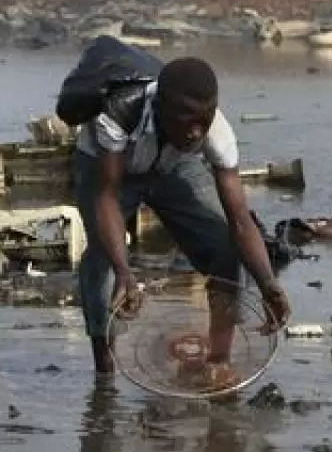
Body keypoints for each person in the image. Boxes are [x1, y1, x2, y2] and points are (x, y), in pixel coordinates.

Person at [73, 55, 291, 379]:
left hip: (173, 166)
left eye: (203, 121)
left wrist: (269, 286)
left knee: (224, 248)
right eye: (186, 121)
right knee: (103, 257)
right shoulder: (118, 112)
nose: (195, 133)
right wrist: (125, 271)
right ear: (160, 107)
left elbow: (240, 221)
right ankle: (105, 366)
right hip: (110, 166)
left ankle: (219, 361)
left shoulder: (216, 133)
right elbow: (107, 197)